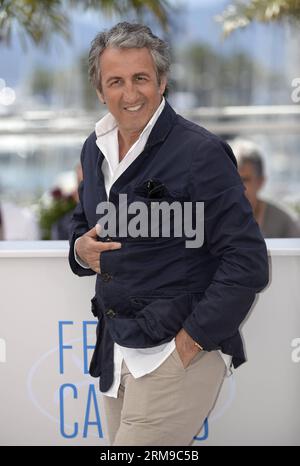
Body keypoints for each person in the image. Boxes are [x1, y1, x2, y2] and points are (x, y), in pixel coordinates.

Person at [68, 22, 269, 446]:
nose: (130, 93)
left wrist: (189, 344)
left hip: (173, 355)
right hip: (115, 355)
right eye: (116, 82)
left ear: (162, 81)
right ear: (100, 91)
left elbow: (247, 262)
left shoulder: (201, 152)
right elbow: (82, 222)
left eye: (141, 78)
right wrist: (79, 249)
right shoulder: (95, 147)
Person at [231, 138, 300, 238]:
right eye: (233, 179)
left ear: (260, 181)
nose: (238, 187)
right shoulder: (215, 218)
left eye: (245, 179)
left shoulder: (285, 222)